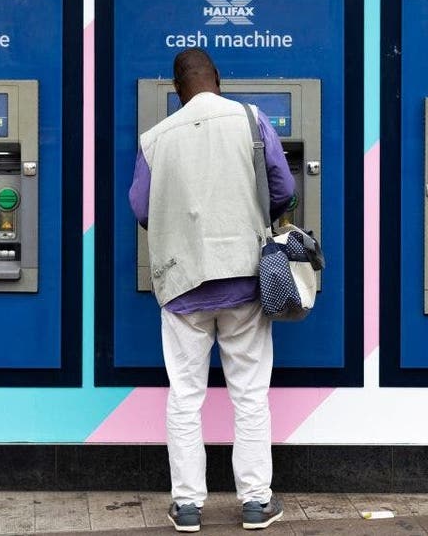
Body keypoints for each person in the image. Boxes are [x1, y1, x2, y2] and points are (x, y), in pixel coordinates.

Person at [129, 48, 295, 532]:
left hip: (183, 285)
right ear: (217, 80)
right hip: (244, 279)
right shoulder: (252, 120)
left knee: (185, 395)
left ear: (176, 89)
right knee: (250, 394)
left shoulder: (155, 138)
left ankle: (186, 506)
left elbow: (142, 208)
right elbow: (282, 188)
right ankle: (256, 501)